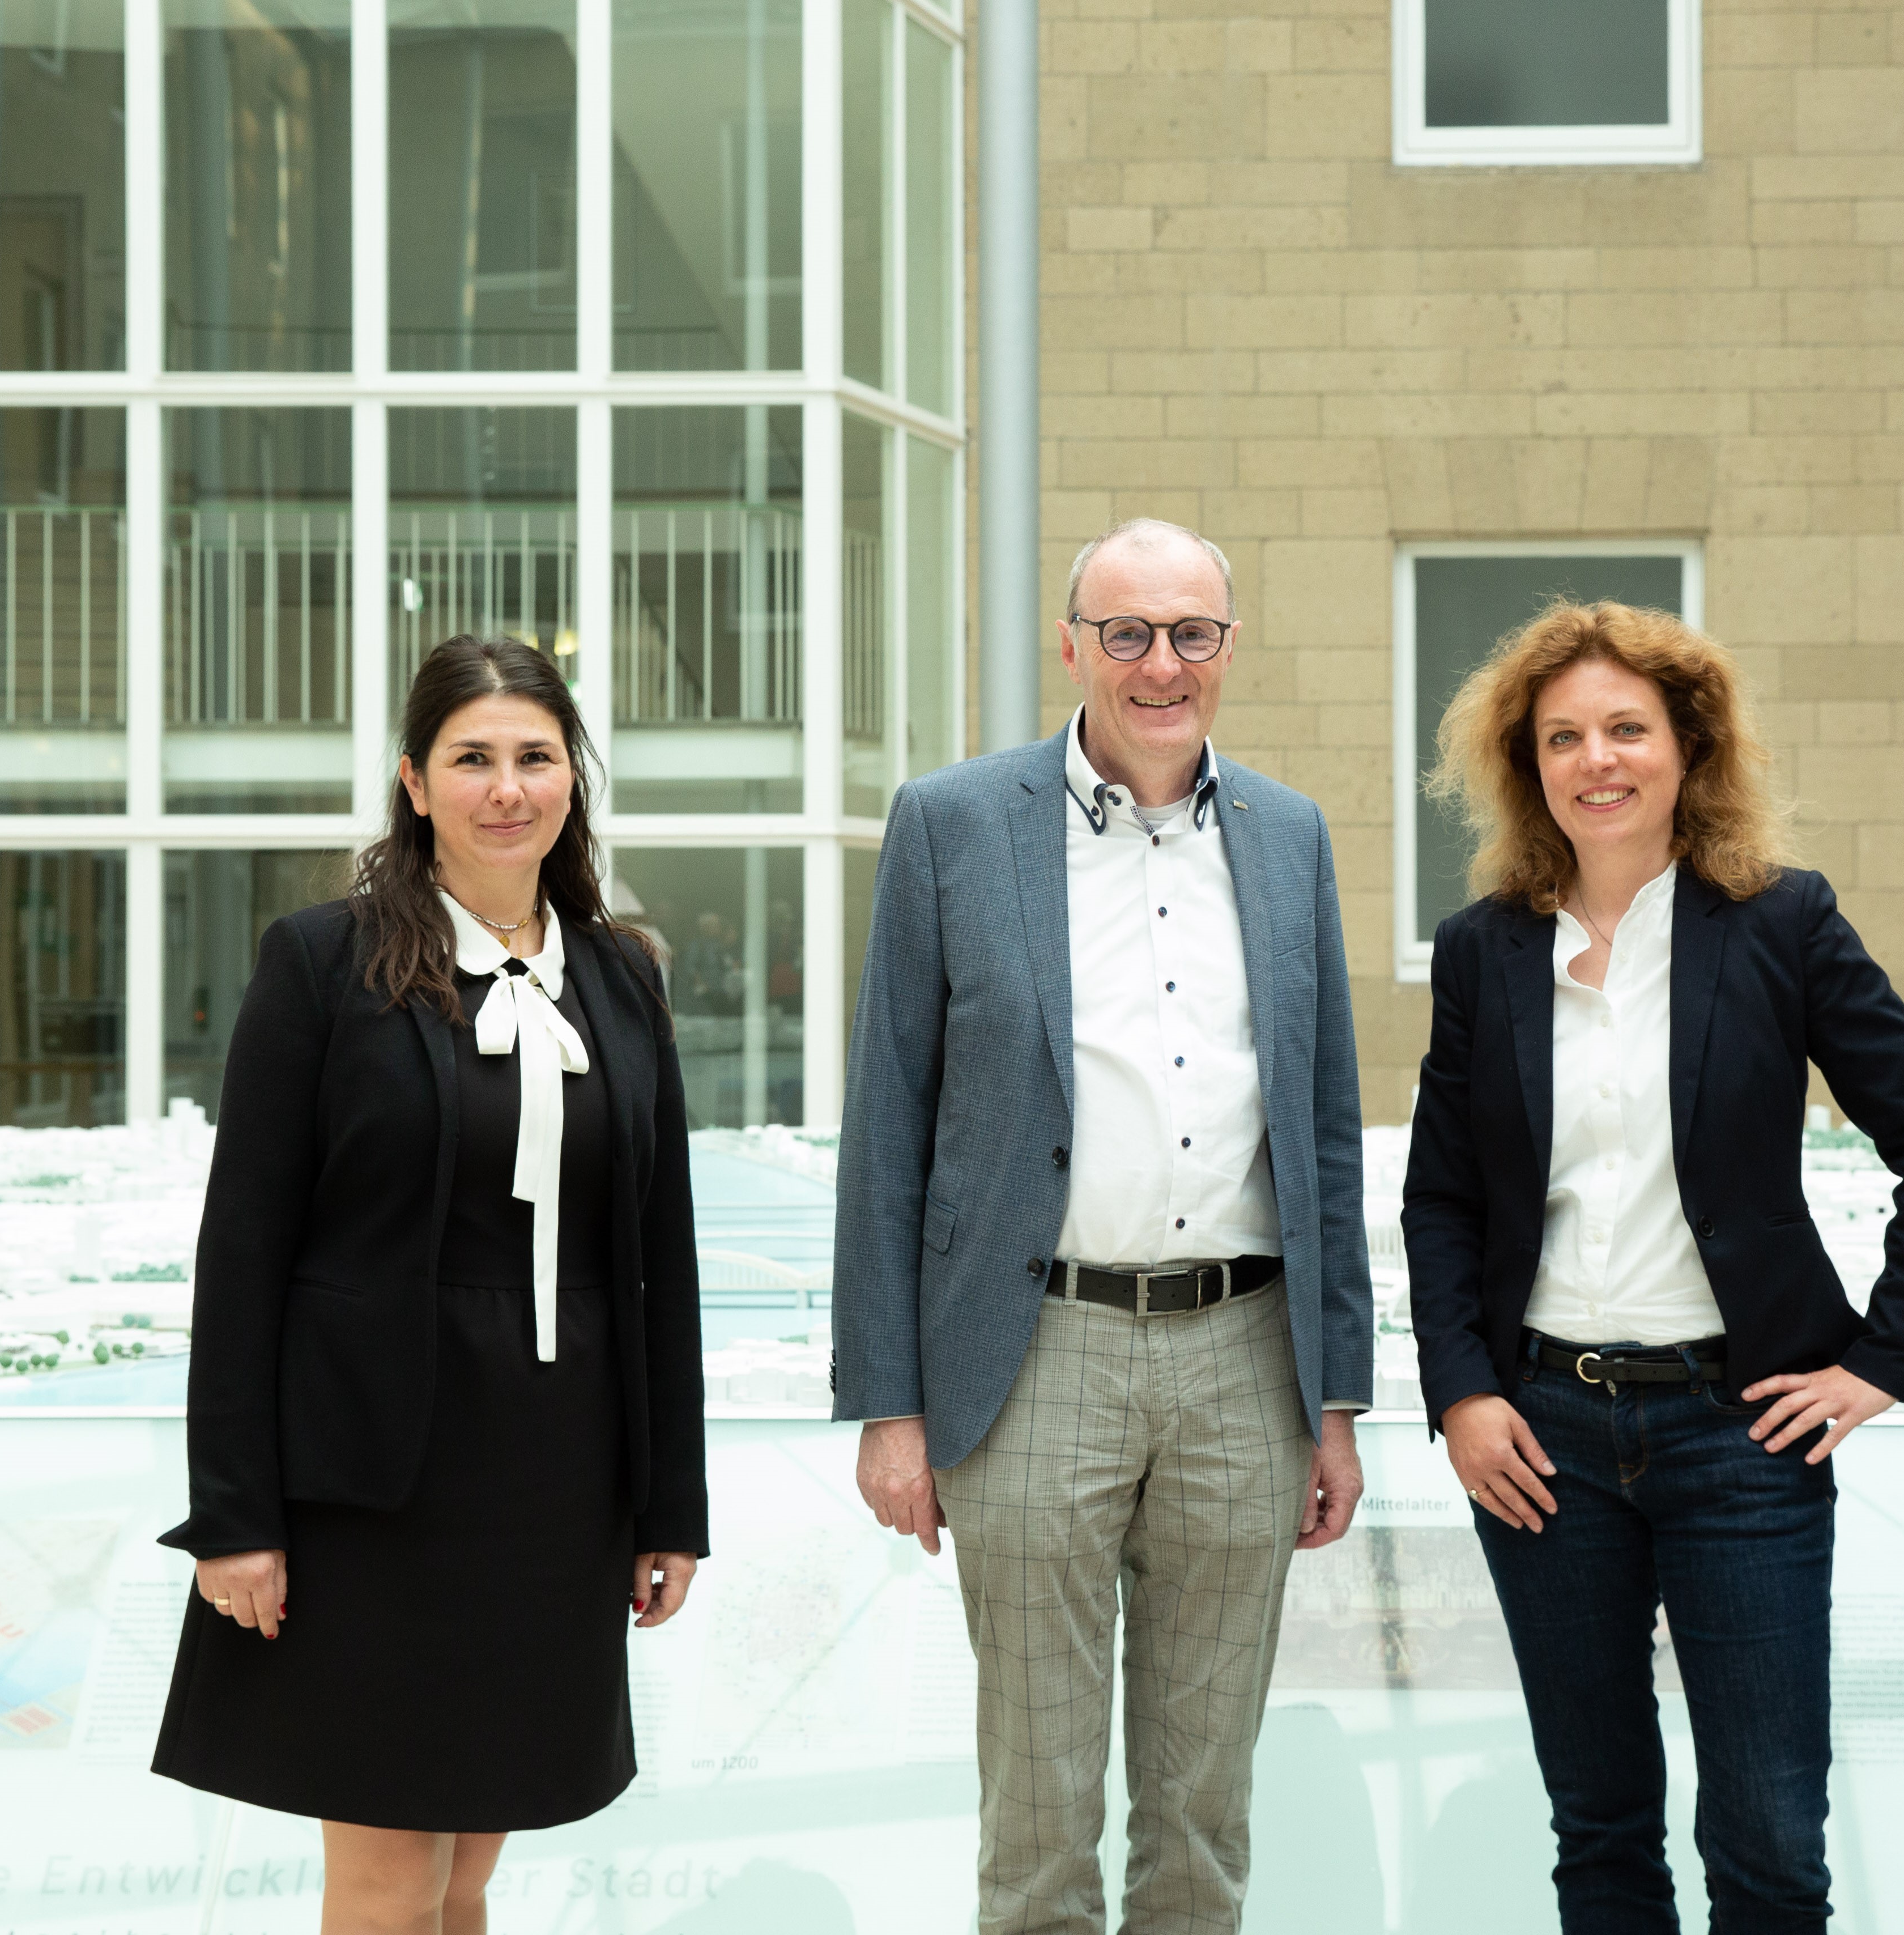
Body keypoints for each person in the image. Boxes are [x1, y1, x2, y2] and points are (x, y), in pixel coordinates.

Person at [1404, 601, 1904, 1933]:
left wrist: (1879, 1360)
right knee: (1598, 1828)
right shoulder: (1484, 949)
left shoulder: (1778, 922)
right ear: (1525, 763)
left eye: (1625, 729)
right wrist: (1462, 1392)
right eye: (1561, 736)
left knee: (1768, 1835)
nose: (1595, 760)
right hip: (1541, 1436)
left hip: (1740, 1432)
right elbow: (1441, 1197)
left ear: (1688, 746)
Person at [834, 517, 1372, 1934]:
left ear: (1228, 648)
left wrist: (1335, 1401)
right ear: (1071, 647)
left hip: (1245, 1360)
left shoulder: (1289, 835)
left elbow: (1323, 1133)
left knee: (1204, 1812)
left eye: (1191, 632)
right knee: (1038, 1808)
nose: (1159, 664)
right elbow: (887, 1128)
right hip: (1033, 1354)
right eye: (1125, 632)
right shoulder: (951, 824)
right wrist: (889, 1405)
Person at [154, 635, 709, 1933]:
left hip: (554, 1485)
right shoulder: (321, 963)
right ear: (414, 781)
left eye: (535, 756)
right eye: (472, 758)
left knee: (468, 1874)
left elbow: (659, 1258)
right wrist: (233, 1515)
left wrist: (669, 1504)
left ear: (572, 778)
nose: (506, 788)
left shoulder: (622, 976)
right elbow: (242, 1254)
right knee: (391, 1875)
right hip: (370, 1491)